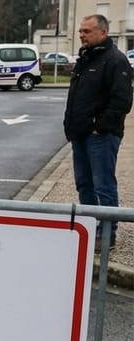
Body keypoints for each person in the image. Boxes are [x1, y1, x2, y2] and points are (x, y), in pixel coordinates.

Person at [63, 14, 134, 250]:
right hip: (79, 134)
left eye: (87, 31)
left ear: (103, 33)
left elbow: (122, 101)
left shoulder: (116, 60)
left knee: (103, 186)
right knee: (84, 185)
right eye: (81, 31)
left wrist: (99, 127)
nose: (81, 35)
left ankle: (106, 236)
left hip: (100, 137)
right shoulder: (86, 58)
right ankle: (88, 230)